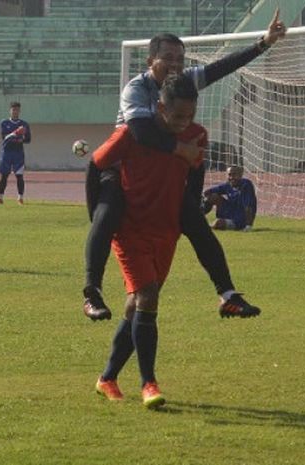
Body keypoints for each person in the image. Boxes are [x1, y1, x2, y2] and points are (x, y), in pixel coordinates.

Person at [82, 9, 286, 321]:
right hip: (125, 165)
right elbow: (140, 133)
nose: (176, 64)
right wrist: (182, 150)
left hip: (162, 170)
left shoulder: (183, 82)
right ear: (151, 61)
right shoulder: (136, 88)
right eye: (168, 57)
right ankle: (91, 292)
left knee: (196, 223)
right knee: (107, 214)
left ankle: (227, 295)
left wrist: (263, 43)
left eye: (180, 58)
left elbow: (221, 68)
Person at [93, 74, 207, 408]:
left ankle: (107, 378)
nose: (183, 122)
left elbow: (192, 185)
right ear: (160, 107)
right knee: (148, 295)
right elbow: (96, 164)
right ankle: (149, 384)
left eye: (189, 115)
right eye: (177, 116)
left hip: (165, 233)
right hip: (129, 230)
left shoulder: (197, 136)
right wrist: (98, 218)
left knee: (136, 305)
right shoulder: (133, 133)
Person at [0, 101, 31, 205]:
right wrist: (16, 133)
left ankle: (20, 198)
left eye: (17, 110)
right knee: (4, 176)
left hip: (18, 153)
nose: (15, 112)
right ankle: (0, 198)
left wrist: (22, 140)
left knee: (19, 176)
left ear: (20, 111)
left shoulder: (24, 124)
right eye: (13, 110)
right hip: (6, 152)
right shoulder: (4, 123)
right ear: (10, 111)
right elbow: (4, 138)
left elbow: (28, 139)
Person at [202, 165, 257, 231]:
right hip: (230, 212)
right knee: (212, 197)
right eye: (229, 175)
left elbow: (249, 206)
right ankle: (198, 218)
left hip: (239, 220)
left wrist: (248, 226)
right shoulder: (228, 185)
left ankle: (205, 227)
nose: (231, 177)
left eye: (234, 175)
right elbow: (208, 192)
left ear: (240, 175)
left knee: (219, 223)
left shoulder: (246, 185)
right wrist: (202, 196)